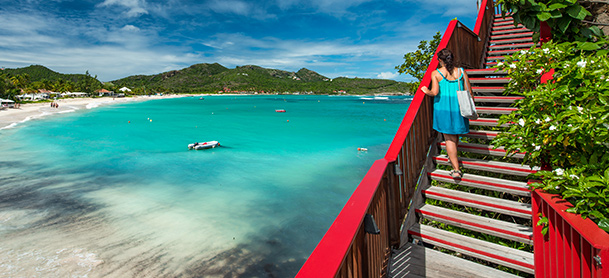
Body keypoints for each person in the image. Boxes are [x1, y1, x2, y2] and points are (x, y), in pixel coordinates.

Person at [421, 48, 475, 179]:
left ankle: (456, 169)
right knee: (454, 135)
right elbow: (469, 91)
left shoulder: (436, 73)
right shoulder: (461, 72)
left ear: (440, 60)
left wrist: (425, 90)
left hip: (443, 108)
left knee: (449, 138)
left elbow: (434, 92)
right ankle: (453, 157)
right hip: (459, 107)